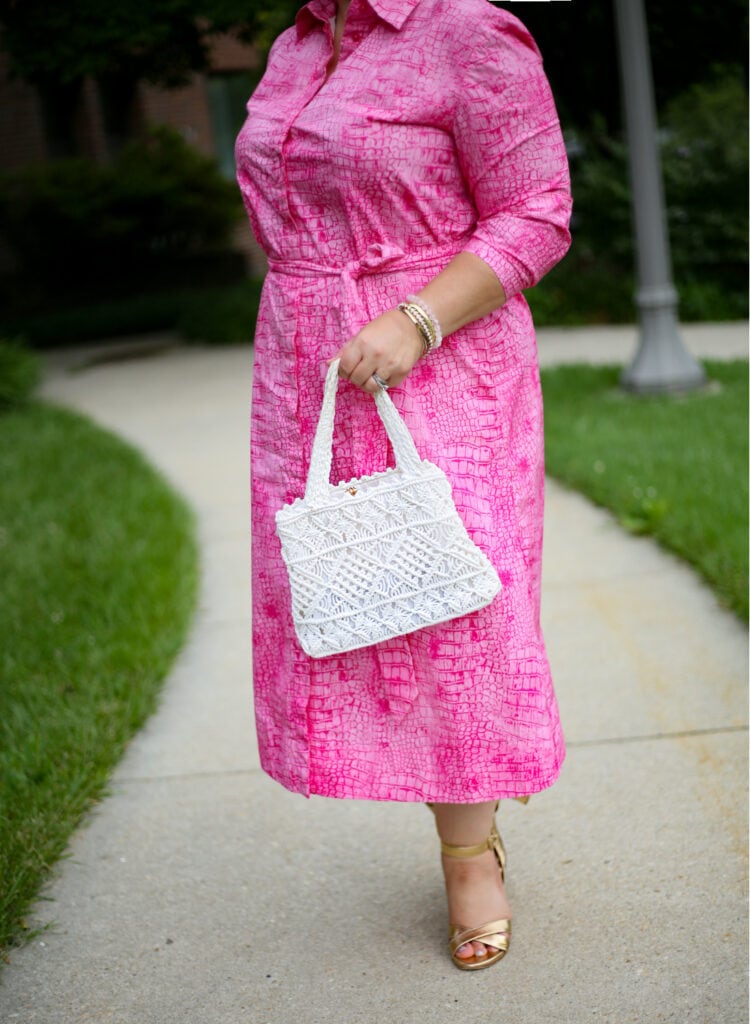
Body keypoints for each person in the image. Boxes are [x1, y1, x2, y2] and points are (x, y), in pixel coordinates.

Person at [235, 0, 571, 971]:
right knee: (356, 593)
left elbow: (538, 213)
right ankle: (449, 819)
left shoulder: (466, 31)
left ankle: (470, 854)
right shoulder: (296, 43)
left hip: (440, 361)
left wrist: (415, 318)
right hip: (308, 370)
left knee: (451, 613)